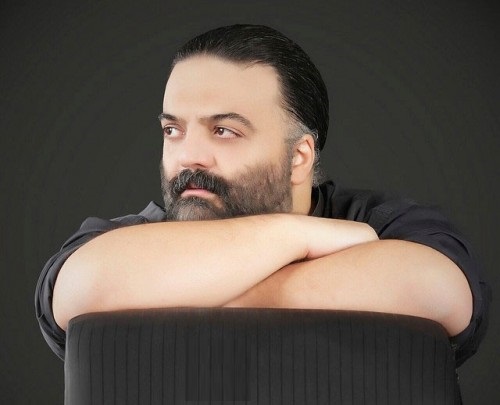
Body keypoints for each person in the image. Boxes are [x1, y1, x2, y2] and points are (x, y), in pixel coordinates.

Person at [36, 24, 489, 367]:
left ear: (299, 157)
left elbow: (441, 290)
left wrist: (192, 288)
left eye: (224, 131)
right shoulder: (127, 237)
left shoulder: (386, 223)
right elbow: (80, 287)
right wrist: (297, 236)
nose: (189, 156)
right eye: (173, 130)